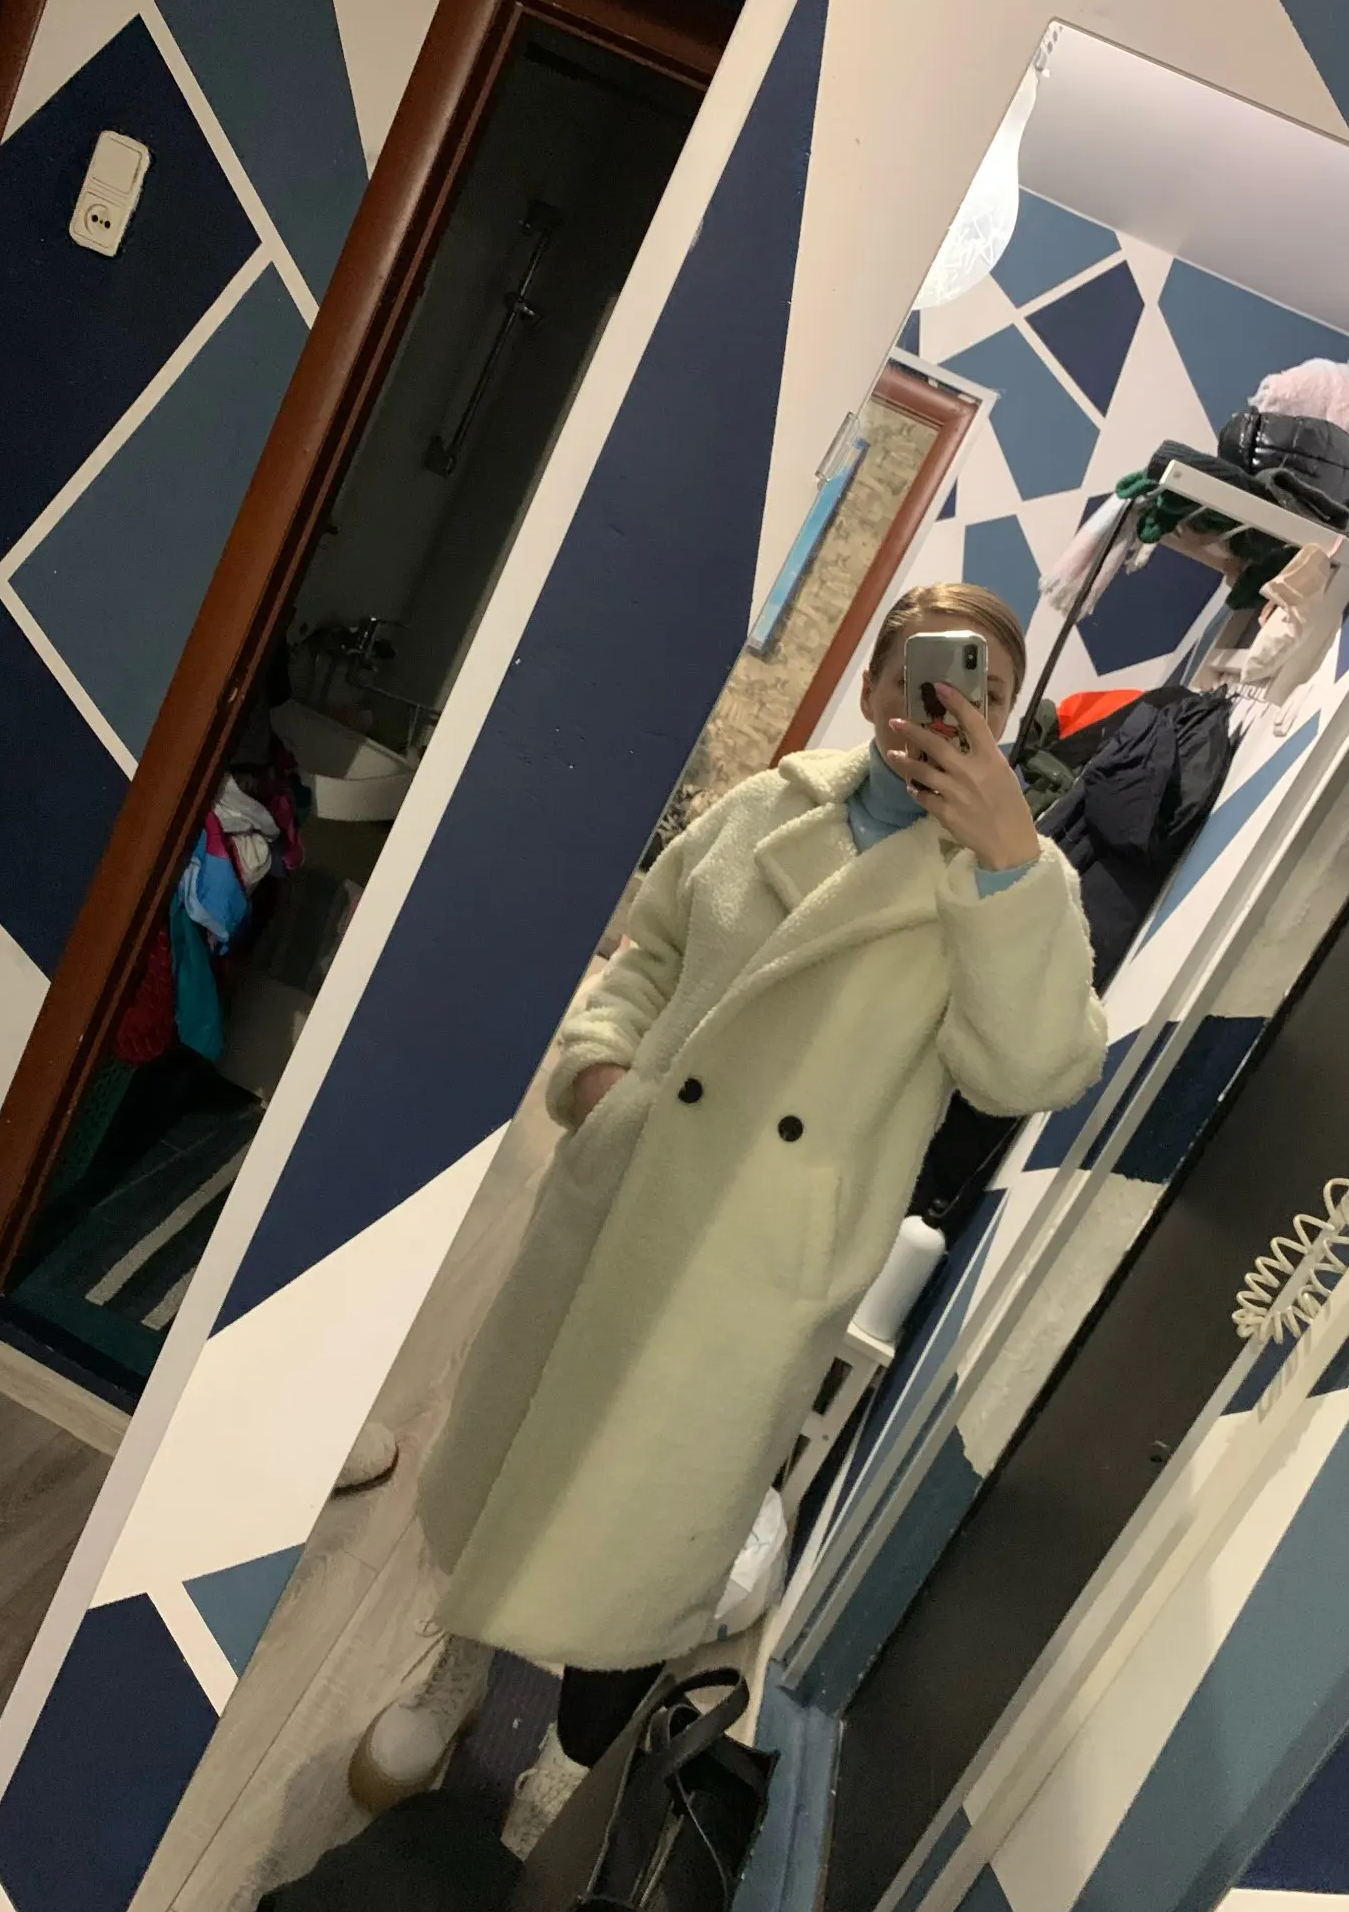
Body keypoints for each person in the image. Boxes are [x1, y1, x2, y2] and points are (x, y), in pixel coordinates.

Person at [348, 582, 1107, 1830]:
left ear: (1003, 718)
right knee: (536, 1443)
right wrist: (601, 1076)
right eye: (918, 675)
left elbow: (1031, 1070)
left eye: (979, 690)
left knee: (656, 1513)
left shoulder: (1009, 882)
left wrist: (1010, 861)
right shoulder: (768, 804)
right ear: (872, 686)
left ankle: (575, 1758)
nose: (941, 707)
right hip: (630, 1187)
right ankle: (462, 1660)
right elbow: (648, 951)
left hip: (762, 1260)